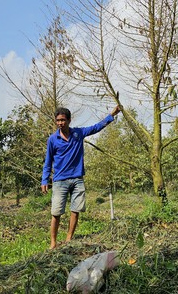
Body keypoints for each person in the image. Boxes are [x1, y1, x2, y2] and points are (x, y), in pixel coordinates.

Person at [41, 105, 121, 249]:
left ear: (69, 120)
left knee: (75, 210)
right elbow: (48, 160)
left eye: (63, 120)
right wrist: (45, 179)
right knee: (56, 213)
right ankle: (53, 242)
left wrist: (112, 115)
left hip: (77, 179)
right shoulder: (53, 139)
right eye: (58, 120)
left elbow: (96, 127)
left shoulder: (78, 133)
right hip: (60, 181)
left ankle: (69, 238)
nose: (60, 123)